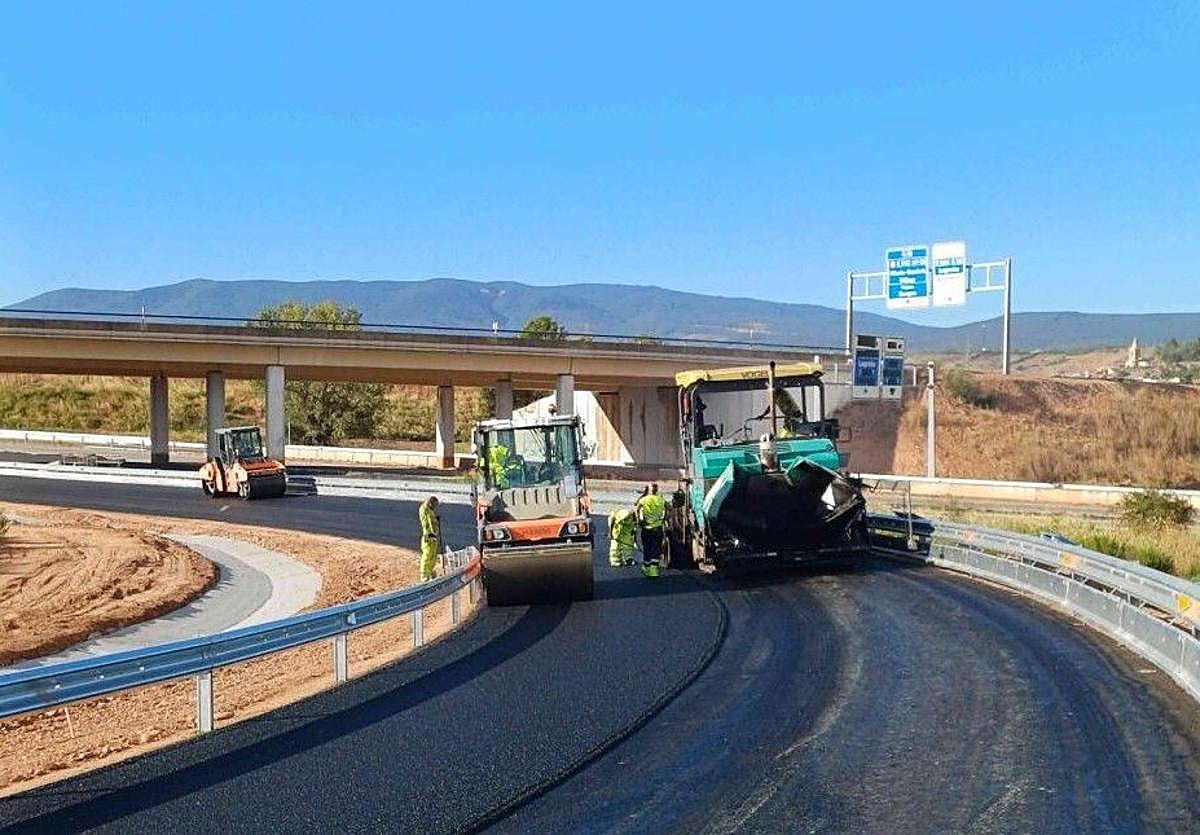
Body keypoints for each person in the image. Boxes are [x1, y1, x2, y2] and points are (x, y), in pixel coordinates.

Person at [636, 483, 666, 578]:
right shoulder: (661, 499)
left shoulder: (643, 500)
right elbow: (669, 509)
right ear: (656, 490)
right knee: (656, 548)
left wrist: (639, 521)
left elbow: (637, 510)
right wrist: (663, 519)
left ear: (648, 490)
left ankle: (647, 568)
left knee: (647, 548)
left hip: (646, 528)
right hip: (657, 528)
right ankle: (654, 570)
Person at [418, 495, 441, 581]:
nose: (435, 507)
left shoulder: (430, 511)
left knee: (433, 557)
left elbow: (432, 521)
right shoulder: (424, 509)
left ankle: (430, 572)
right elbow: (426, 522)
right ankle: (424, 575)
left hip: (433, 536)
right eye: (434, 504)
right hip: (428, 536)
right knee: (427, 556)